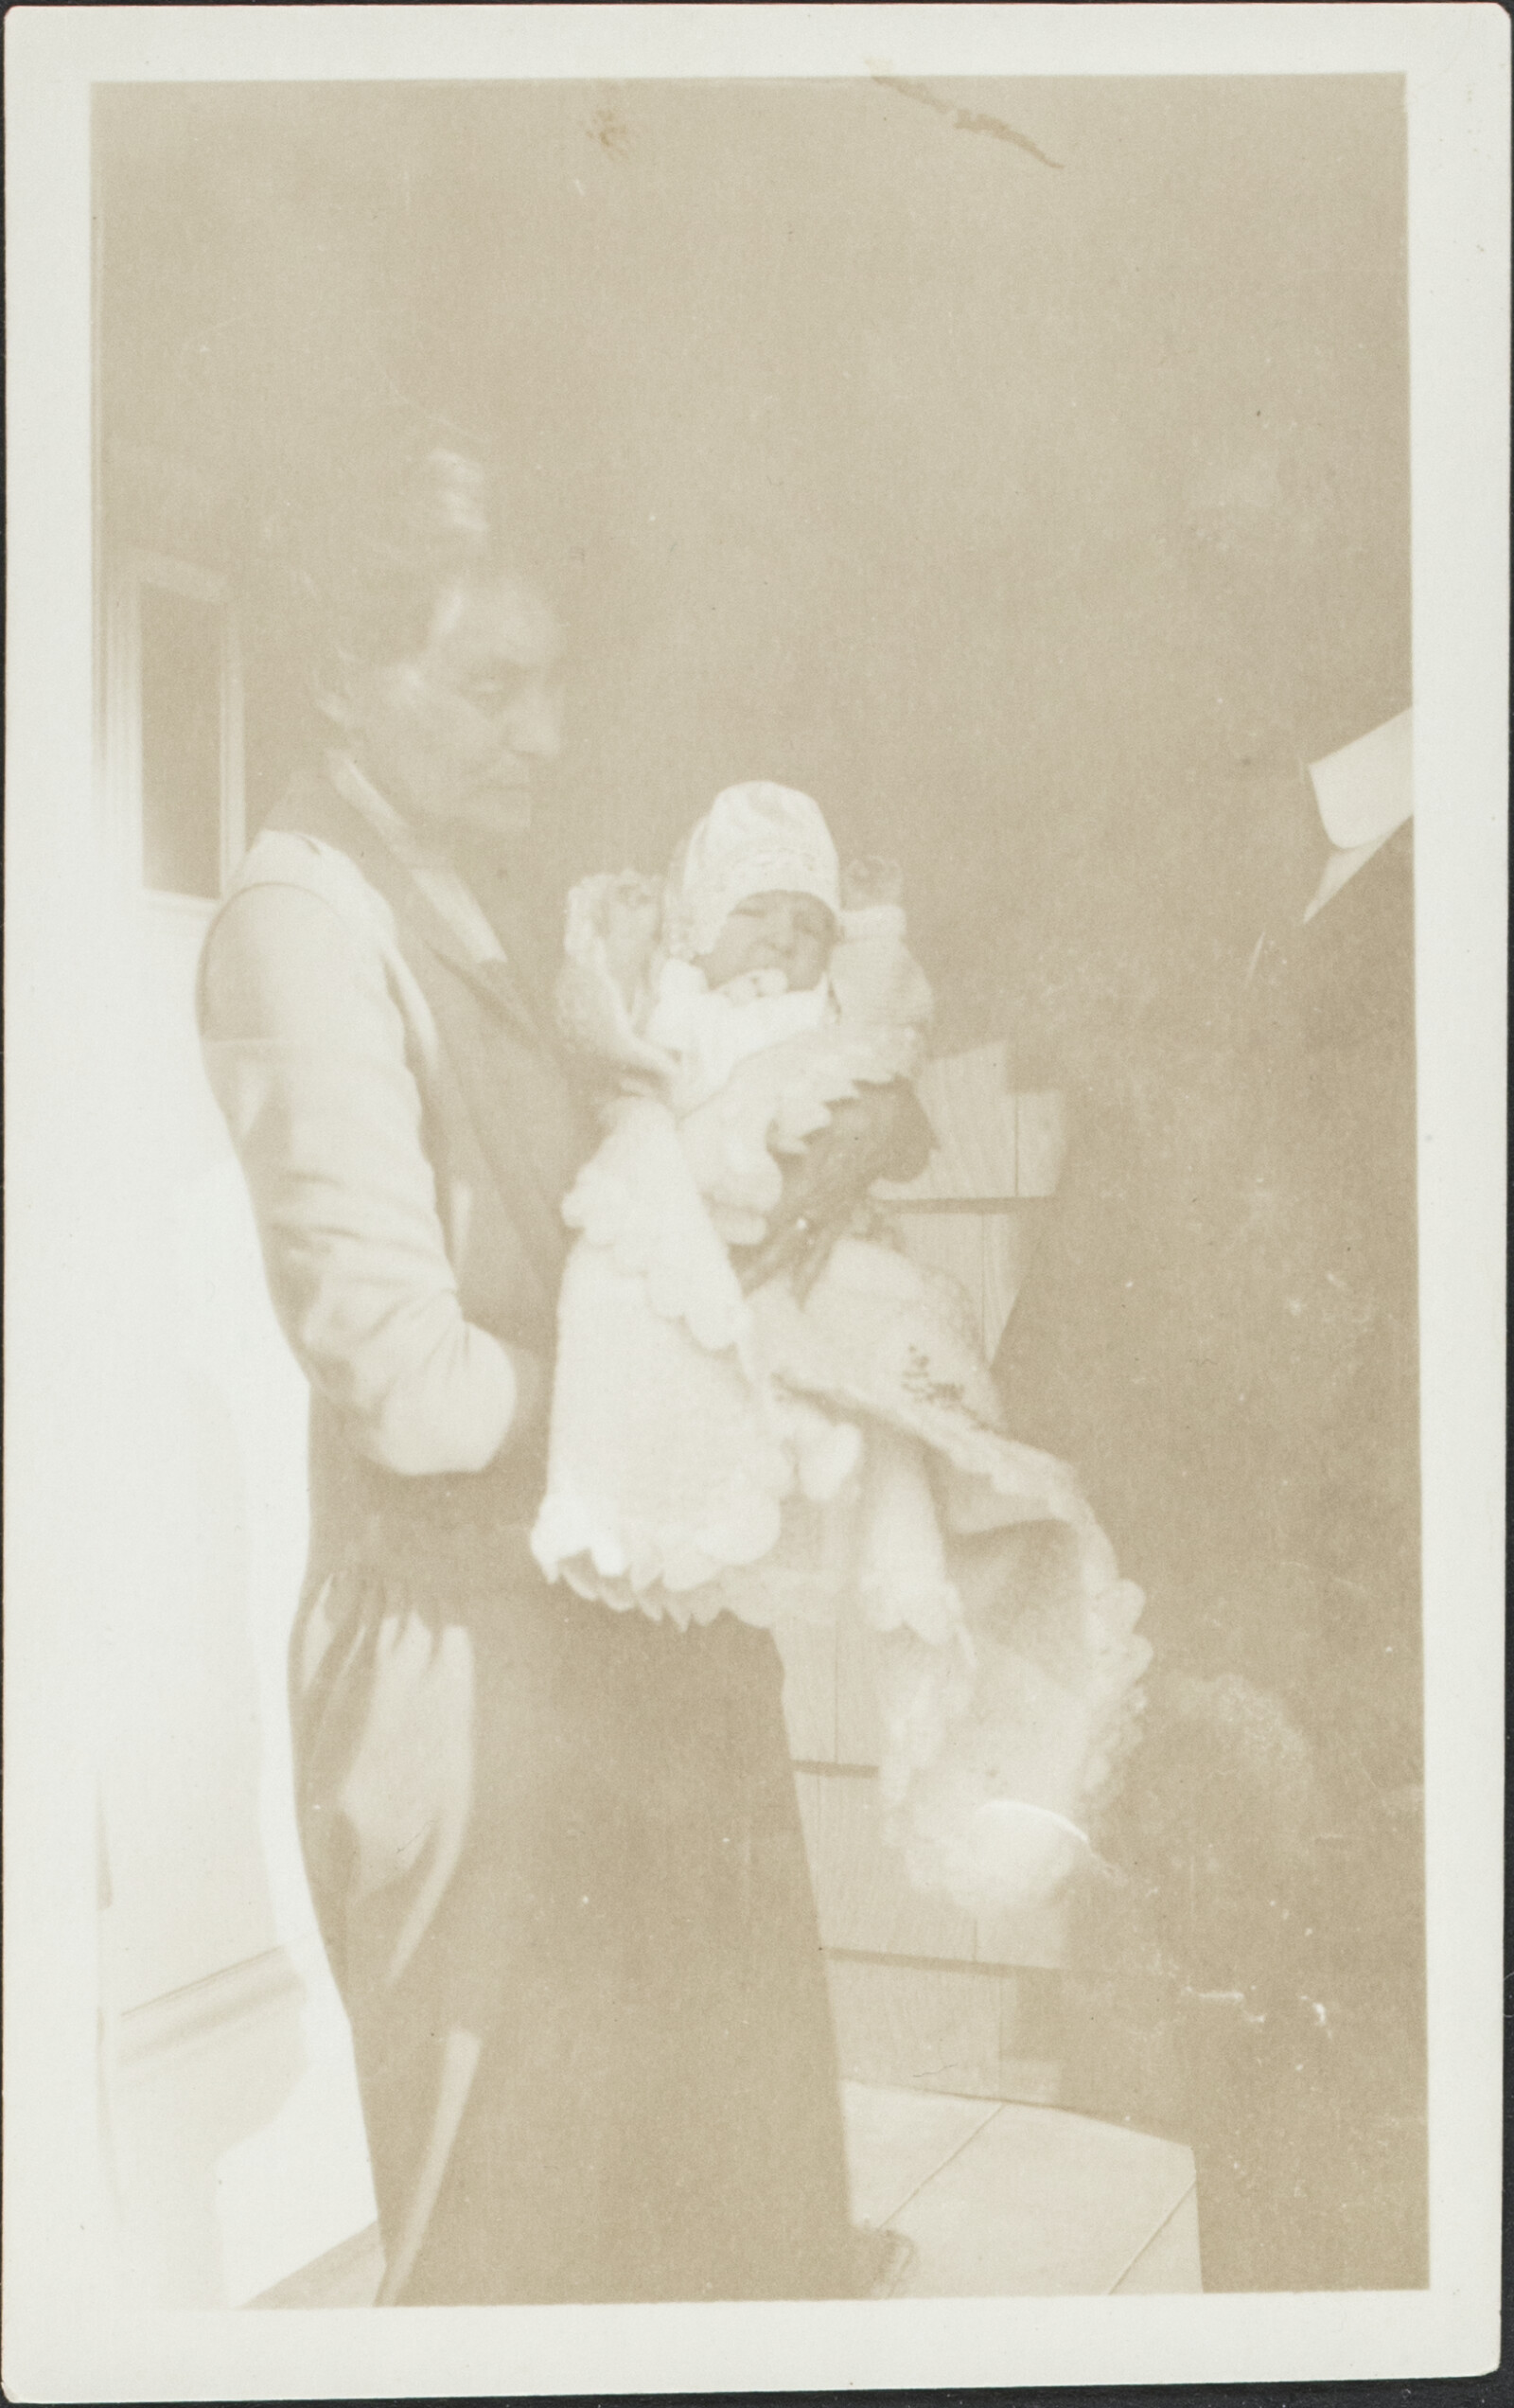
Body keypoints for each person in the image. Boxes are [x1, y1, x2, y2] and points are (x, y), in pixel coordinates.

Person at [197, 443, 904, 2305]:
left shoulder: (503, 914)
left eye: (552, 683)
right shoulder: (302, 920)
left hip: (624, 1624)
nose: (540, 732)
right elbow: (410, 1385)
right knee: (517, 2262)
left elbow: (639, 1211)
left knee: (725, 2228)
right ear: (343, 673)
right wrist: (692, 1383)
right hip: (464, 1676)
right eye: (486, 686)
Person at [532, 780, 1153, 1917]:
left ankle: (970, 1505)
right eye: (755, 914)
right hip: (709, 1229)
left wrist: (866, 933)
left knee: (902, 1332)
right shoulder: (680, 1001)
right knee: (665, 1315)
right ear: (696, 925)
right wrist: (615, 953)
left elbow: (884, 1037)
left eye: (803, 922)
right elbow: (614, 1050)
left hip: (818, 1247)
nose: (780, 941)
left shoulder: (819, 1015)